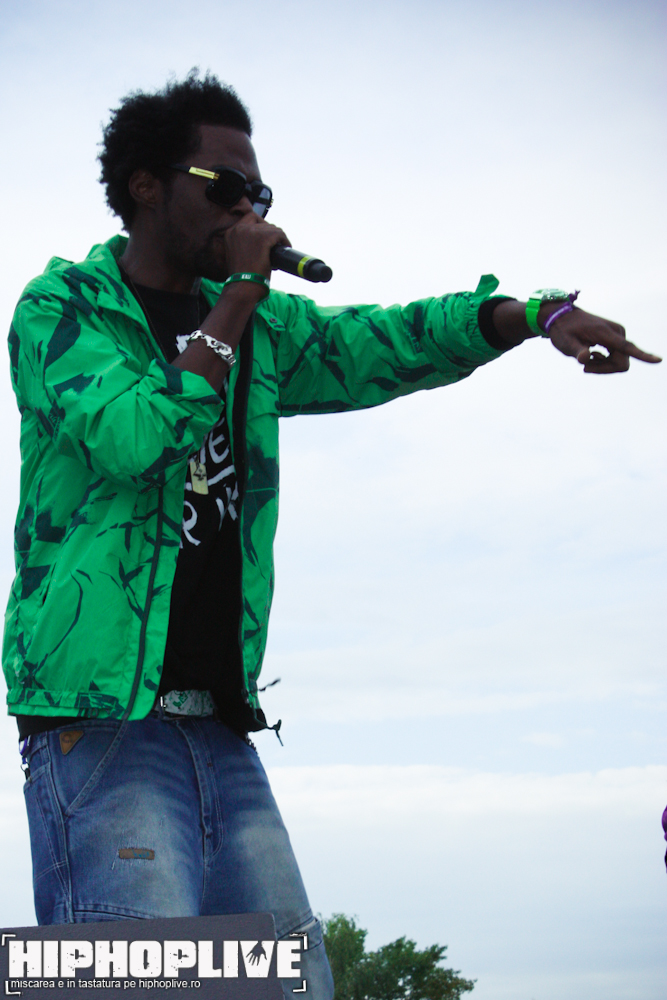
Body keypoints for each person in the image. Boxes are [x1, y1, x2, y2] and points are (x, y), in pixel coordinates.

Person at [3, 71, 660, 997]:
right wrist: (239, 293)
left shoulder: (260, 328)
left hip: (218, 727)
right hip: (101, 724)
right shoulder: (60, 311)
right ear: (146, 184)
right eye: (226, 187)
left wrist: (531, 315)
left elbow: (384, 343)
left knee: (290, 984)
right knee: (134, 983)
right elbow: (134, 437)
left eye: (260, 193)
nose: (250, 210)